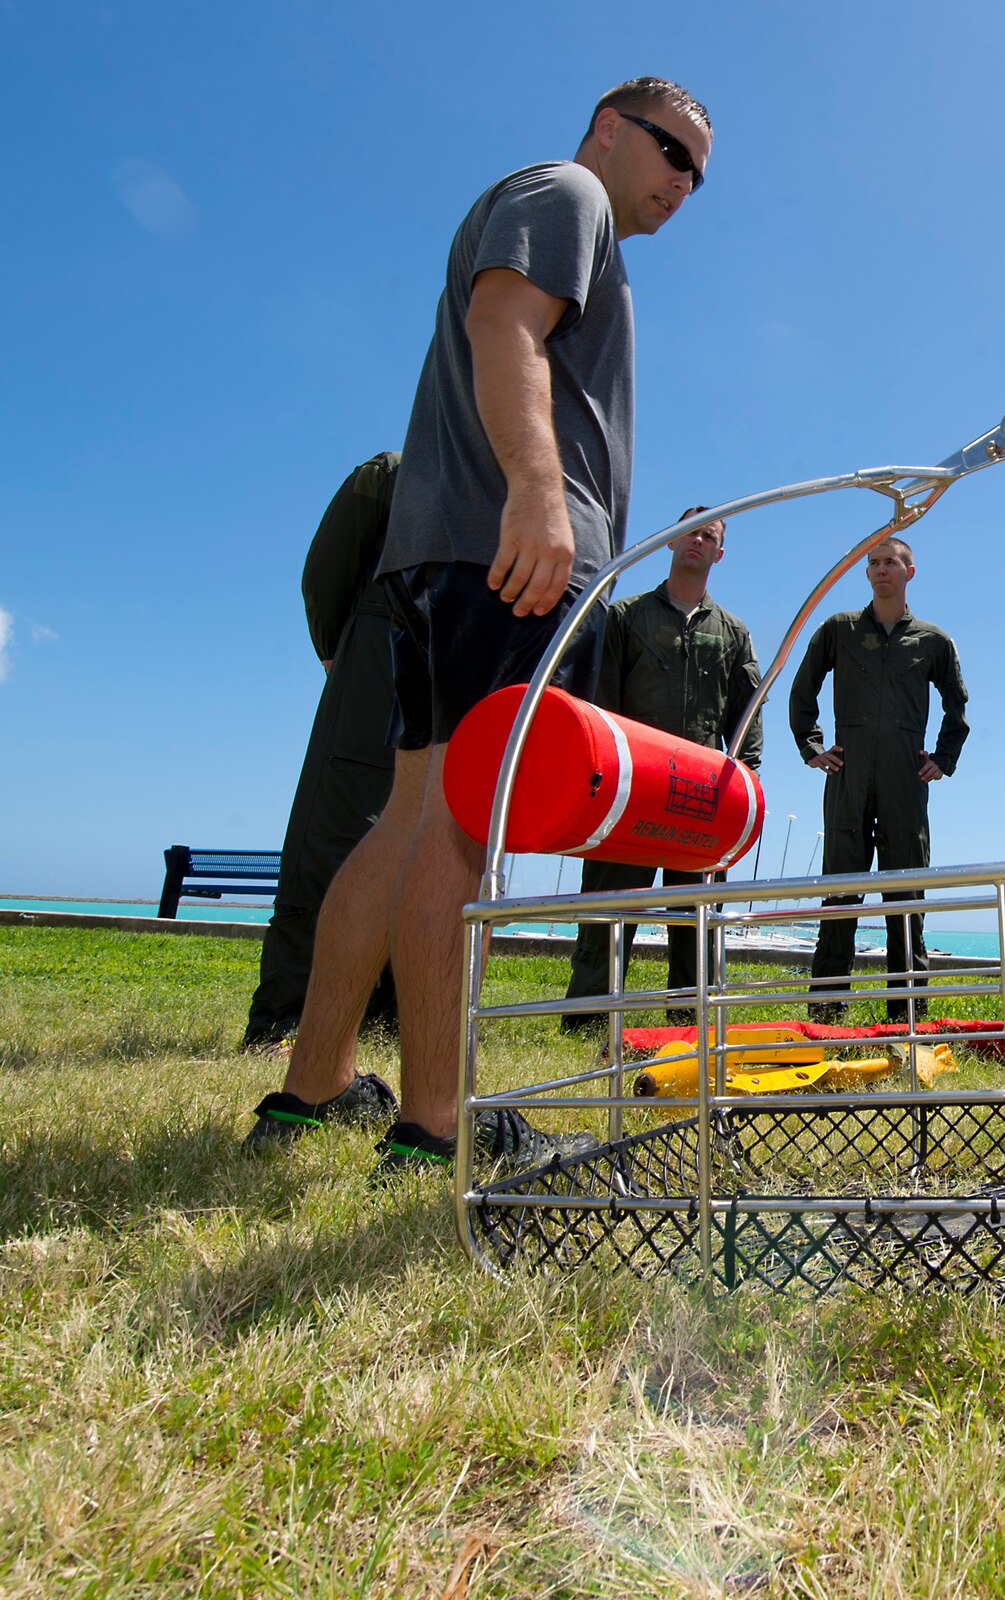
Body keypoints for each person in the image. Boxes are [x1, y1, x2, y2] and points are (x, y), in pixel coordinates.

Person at [244, 77, 714, 1175]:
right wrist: (539, 493)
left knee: (410, 817)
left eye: (698, 170)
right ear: (607, 127)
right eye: (671, 151)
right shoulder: (568, 194)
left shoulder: (569, 208)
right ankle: (434, 1123)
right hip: (507, 551)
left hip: (443, 553)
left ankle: (311, 1088)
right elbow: (503, 320)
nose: (684, 182)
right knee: (463, 827)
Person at [560, 506, 762, 1030]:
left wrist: (748, 778)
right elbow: (597, 701)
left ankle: (687, 1023)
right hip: (630, 787)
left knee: (695, 915)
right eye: (691, 530)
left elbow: (747, 711)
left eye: (710, 534)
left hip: (701, 796)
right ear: (670, 540)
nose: (698, 539)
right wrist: (596, 778)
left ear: (721, 552)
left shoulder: (734, 632)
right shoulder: (624, 617)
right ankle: (587, 1018)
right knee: (609, 906)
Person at [241, 452, 403, 1051]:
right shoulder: (389, 473)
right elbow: (326, 573)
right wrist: (344, 655)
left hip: (446, 689)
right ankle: (284, 1018)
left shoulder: (497, 488)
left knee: (419, 853)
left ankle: (384, 1014)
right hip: (370, 671)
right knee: (329, 845)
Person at [789, 537, 970, 1024]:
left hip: (904, 783)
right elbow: (802, 688)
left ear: (910, 572)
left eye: (891, 562)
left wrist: (944, 758)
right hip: (847, 778)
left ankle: (906, 1017)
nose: (881, 569)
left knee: (906, 899)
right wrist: (812, 748)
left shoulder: (932, 640)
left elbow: (958, 706)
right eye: (874, 563)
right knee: (840, 897)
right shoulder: (839, 630)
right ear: (866, 574)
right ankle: (825, 1013)